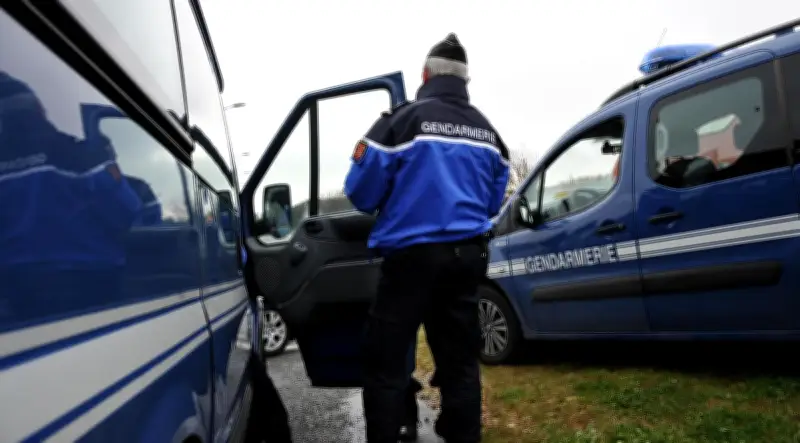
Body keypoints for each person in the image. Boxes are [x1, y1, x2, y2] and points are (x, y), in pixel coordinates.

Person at [344, 33, 510, 443]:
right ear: (465, 81)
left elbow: (360, 191)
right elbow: (492, 202)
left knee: (384, 366)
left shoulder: (401, 121)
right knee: (461, 367)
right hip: (467, 261)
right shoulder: (489, 134)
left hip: (410, 264)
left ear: (425, 74)